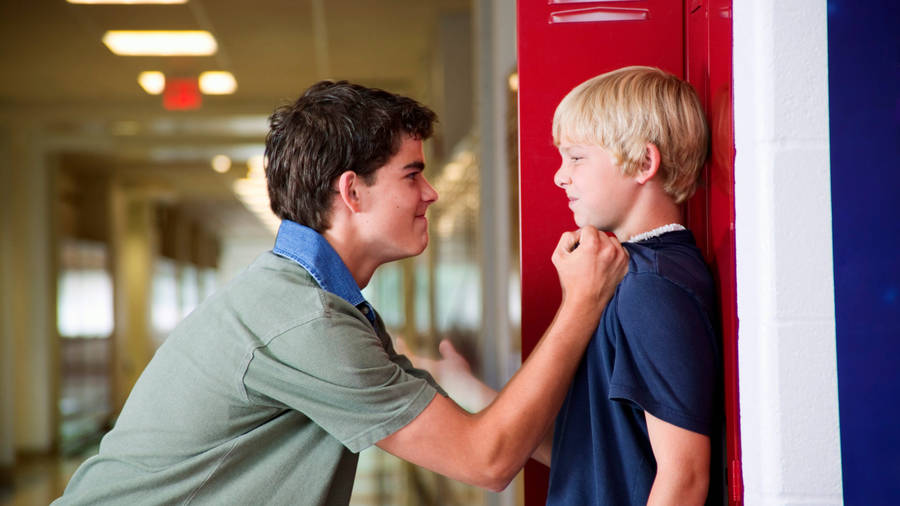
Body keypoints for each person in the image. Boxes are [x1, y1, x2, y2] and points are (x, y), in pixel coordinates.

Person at [53, 81, 628, 505]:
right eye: (412, 174)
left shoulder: (324, 304)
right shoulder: (306, 321)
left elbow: (487, 434)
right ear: (351, 191)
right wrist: (582, 303)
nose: (431, 194)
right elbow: (487, 459)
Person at [408, 66, 724, 505]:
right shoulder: (625, 275)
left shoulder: (652, 287)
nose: (560, 176)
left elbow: (684, 478)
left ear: (645, 164)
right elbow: (598, 456)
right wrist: (467, 387)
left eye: (576, 157)